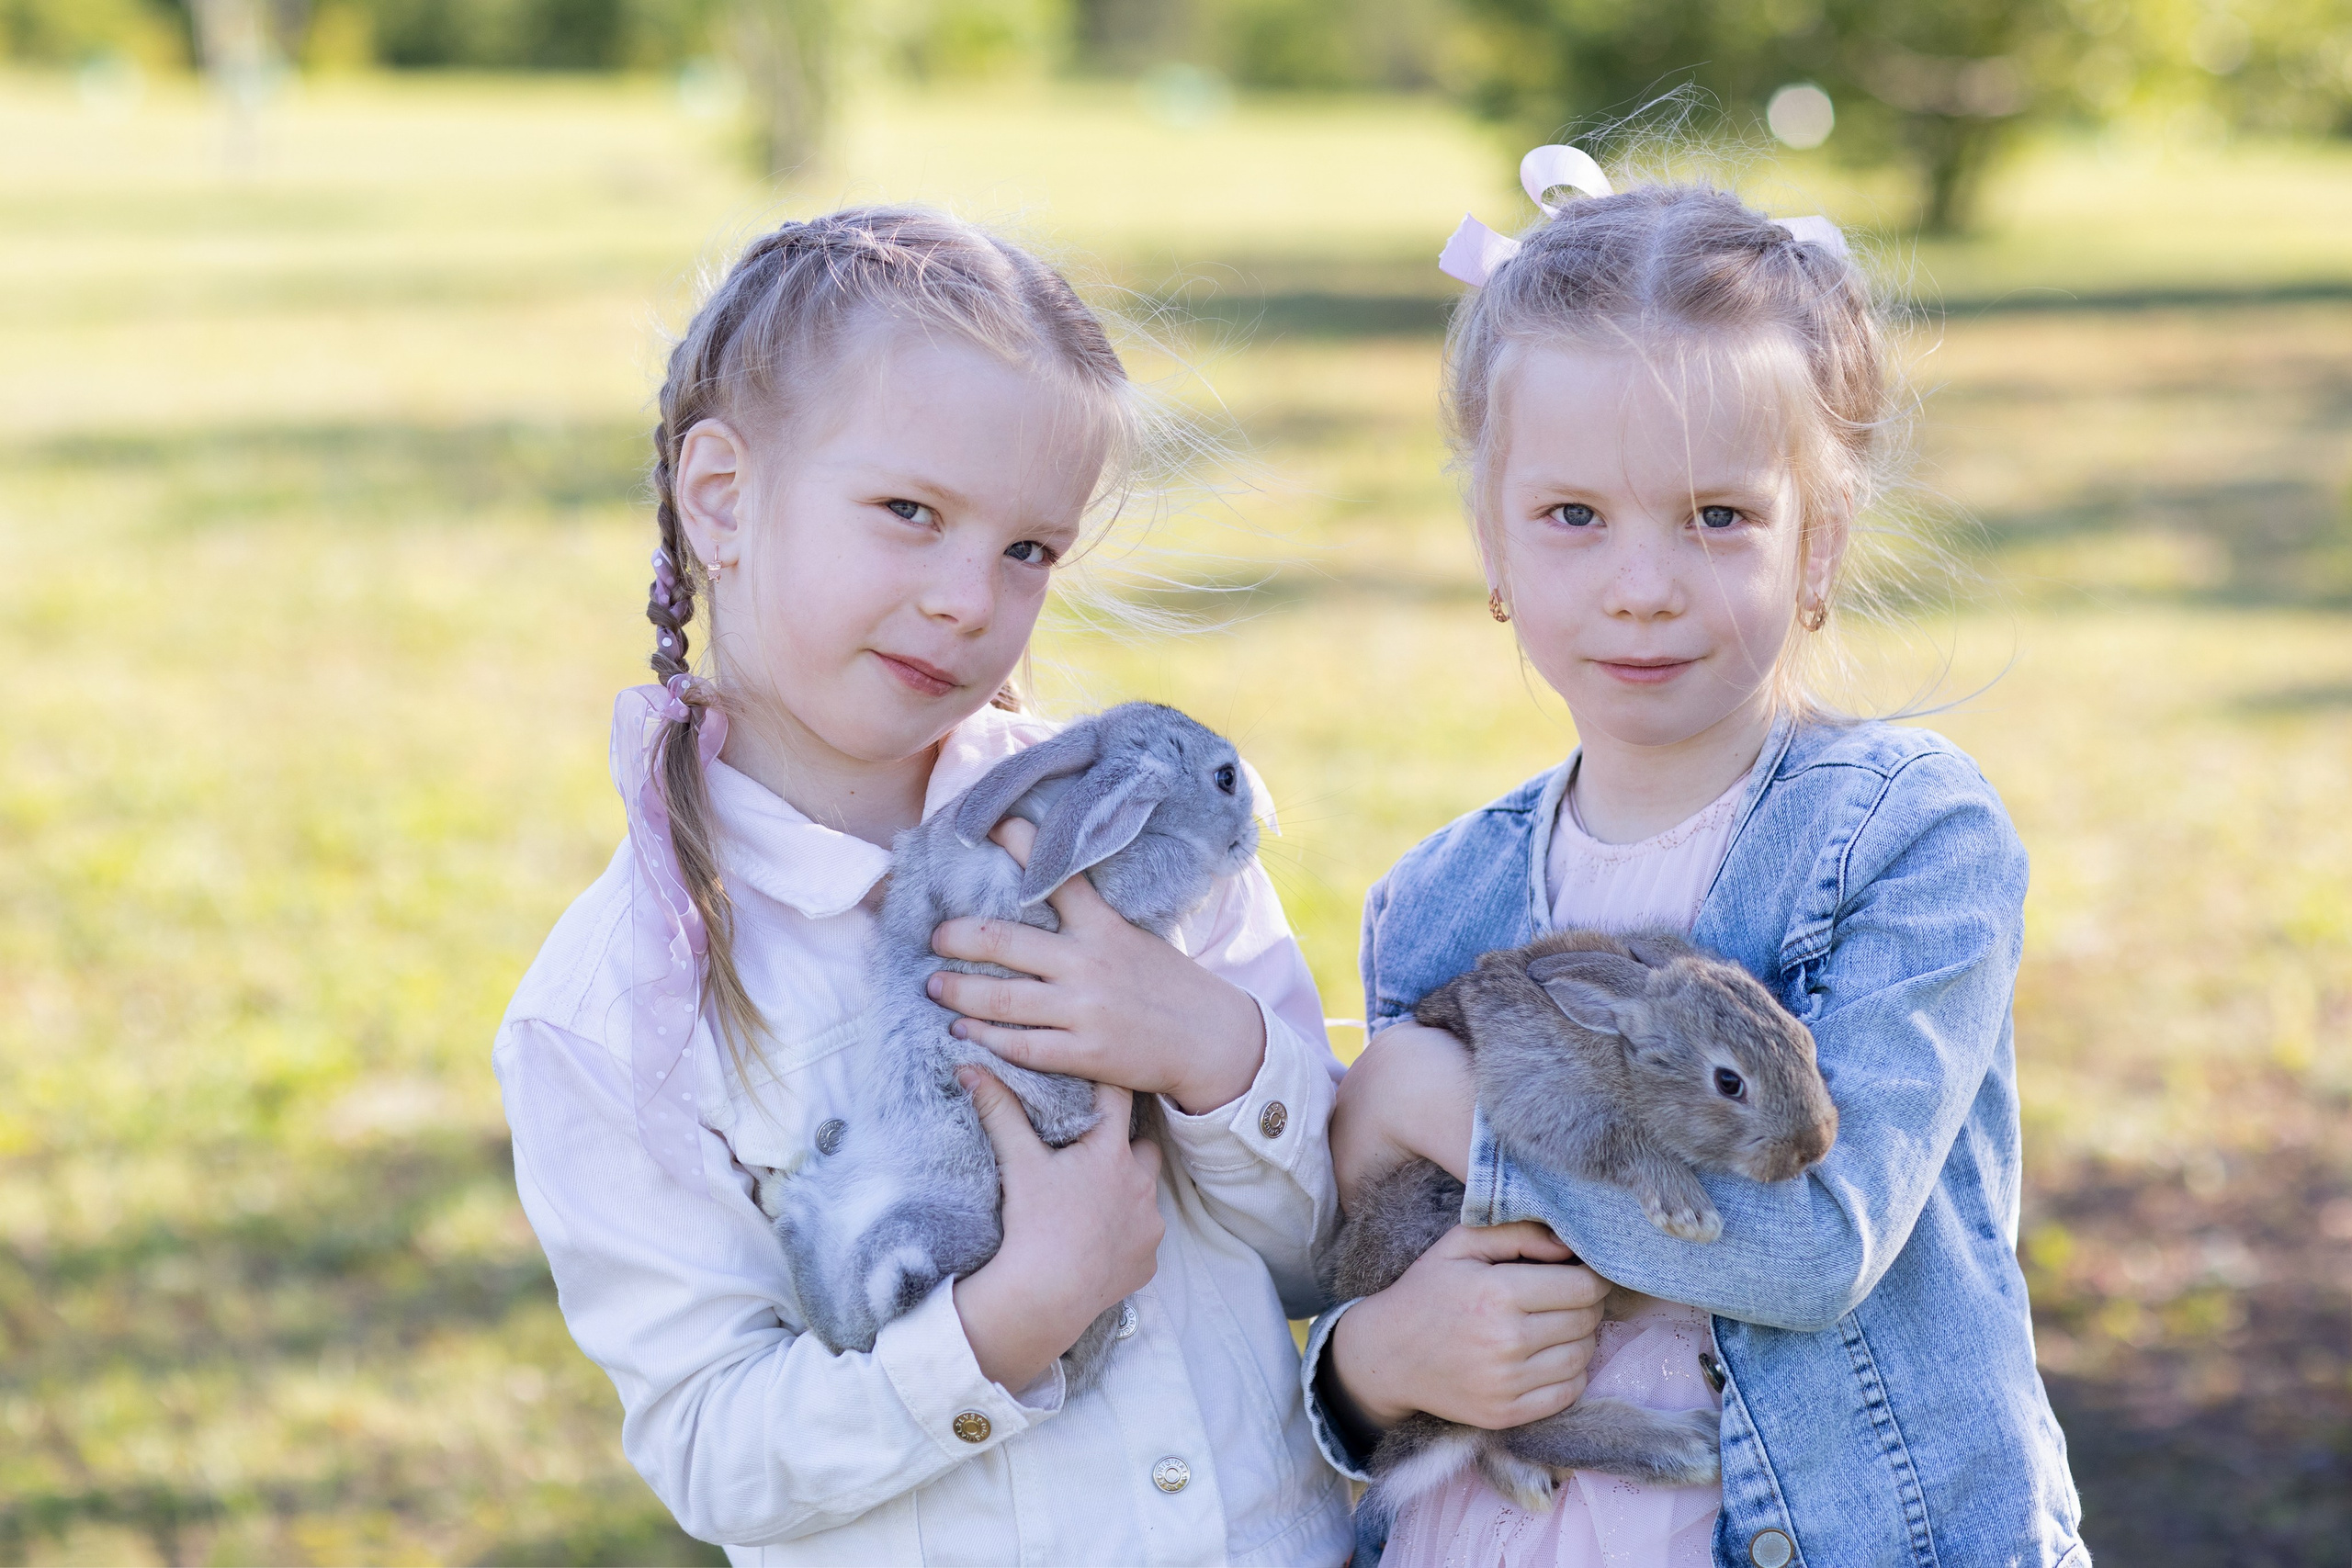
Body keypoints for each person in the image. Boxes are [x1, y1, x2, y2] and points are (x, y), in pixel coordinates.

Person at [494, 208, 1352, 1566]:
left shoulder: (1141, 844)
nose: (970, 597)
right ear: (721, 497)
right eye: (910, 514)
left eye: (1029, 550)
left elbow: (1331, 1251)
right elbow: (717, 1451)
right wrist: (1005, 1325)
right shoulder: (618, 1010)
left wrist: (1206, 1045)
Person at [1306, 149, 2087, 1567]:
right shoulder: (1438, 901)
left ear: (1819, 541)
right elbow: (1369, 1262)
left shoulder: (1906, 839)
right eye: (1573, 517)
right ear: (1492, 544)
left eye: (1718, 516)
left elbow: (1815, 1246)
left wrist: (1440, 1112)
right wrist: (1368, 1371)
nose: (1644, 584)